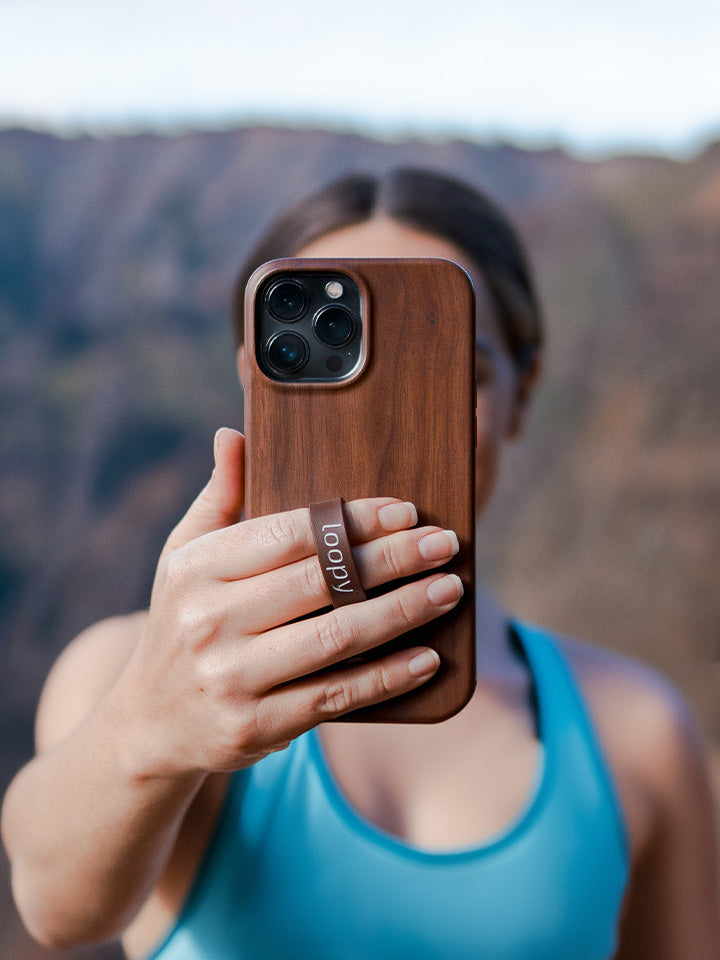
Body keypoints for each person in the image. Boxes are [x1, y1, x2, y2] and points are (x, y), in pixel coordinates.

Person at [2, 168, 719, 960]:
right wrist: (148, 728)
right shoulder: (137, 678)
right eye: (344, 379)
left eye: (453, 372)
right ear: (252, 381)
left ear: (525, 391)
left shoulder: (637, 732)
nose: (392, 427)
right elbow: (55, 905)